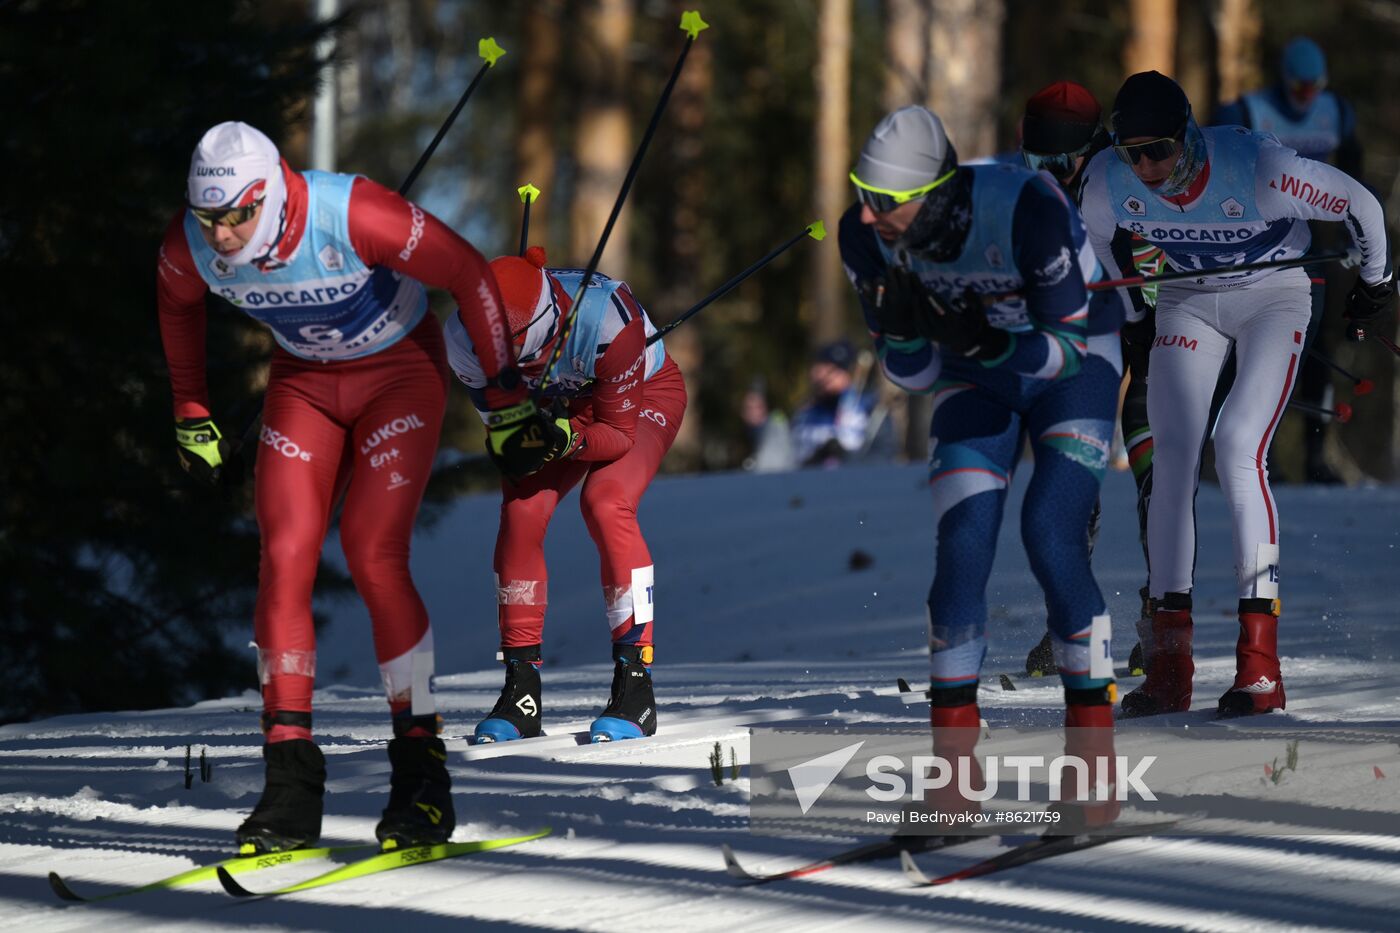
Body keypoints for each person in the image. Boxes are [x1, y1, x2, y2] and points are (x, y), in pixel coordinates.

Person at [157, 122, 554, 854]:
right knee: (283, 558)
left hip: (398, 373)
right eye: (209, 217)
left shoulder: (352, 213)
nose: (222, 234)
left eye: (239, 213)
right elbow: (175, 300)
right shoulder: (191, 244)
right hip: (303, 386)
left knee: (374, 553)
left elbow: (465, 269)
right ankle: (289, 787)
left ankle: (421, 776)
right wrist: (191, 409)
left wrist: (505, 399)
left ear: (271, 193)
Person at [839, 105, 1124, 827]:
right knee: (962, 547)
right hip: (978, 376)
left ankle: (1093, 764)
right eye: (861, 193)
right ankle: (953, 777)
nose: (868, 217)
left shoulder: (1024, 205)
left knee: (1050, 532)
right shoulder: (863, 236)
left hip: (1076, 366)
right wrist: (906, 334)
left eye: (885, 202)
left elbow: (1064, 349)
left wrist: (980, 339)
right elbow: (912, 374)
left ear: (932, 193)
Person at [1079, 72, 1392, 718]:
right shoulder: (1108, 182)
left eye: (1158, 150)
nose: (1146, 167)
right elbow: (1100, 244)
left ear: (1187, 135)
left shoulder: (1261, 171)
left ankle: (1260, 668)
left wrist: (1374, 281)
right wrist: (1134, 307)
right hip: (1189, 299)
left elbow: (1360, 203)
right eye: (1130, 151)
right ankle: (1170, 665)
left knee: (1236, 445)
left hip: (1274, 295)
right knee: (1171, 463)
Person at [442, 247, 687, 745]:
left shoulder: (608, 318)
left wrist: (563, 438)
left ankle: (635, 684)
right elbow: (502, 430)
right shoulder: (461, 339)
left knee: (605, 501)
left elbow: (616, 434)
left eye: (520, 353)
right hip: (558, 410)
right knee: (521, 513)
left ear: (546, 324)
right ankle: (521, 691)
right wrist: (513, 443)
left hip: (638, 400)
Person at [1015, 81, 1163, 679]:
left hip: (1156, 330)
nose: (1048, 173)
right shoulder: (1028, 195)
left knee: (1153, 460)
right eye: (1035, 162)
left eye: (1060, 163)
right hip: (1088, 335)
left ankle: (1162, 627)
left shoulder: (1123, 176)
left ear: (1094, 147)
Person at [1213, 38, 1365, 484]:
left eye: (1314, 86)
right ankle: (1262, 453)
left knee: (1318, 344)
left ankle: (1317, 454)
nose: (1307, 96)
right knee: (1255, 345)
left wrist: (1355, 234)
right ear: (1283, 82)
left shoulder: (1336, 111)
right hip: (1264, 241)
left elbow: (1354, 174)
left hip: (1319, 241)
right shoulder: (1247, 111)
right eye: (1299, 88)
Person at [790, 339, 894, 467]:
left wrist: (845, 458)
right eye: (820, 368)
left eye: (833, 370)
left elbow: (883, 458)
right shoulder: (803, 414)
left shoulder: (872, 411)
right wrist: (816, 460)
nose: (820, 375)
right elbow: (789, 459)